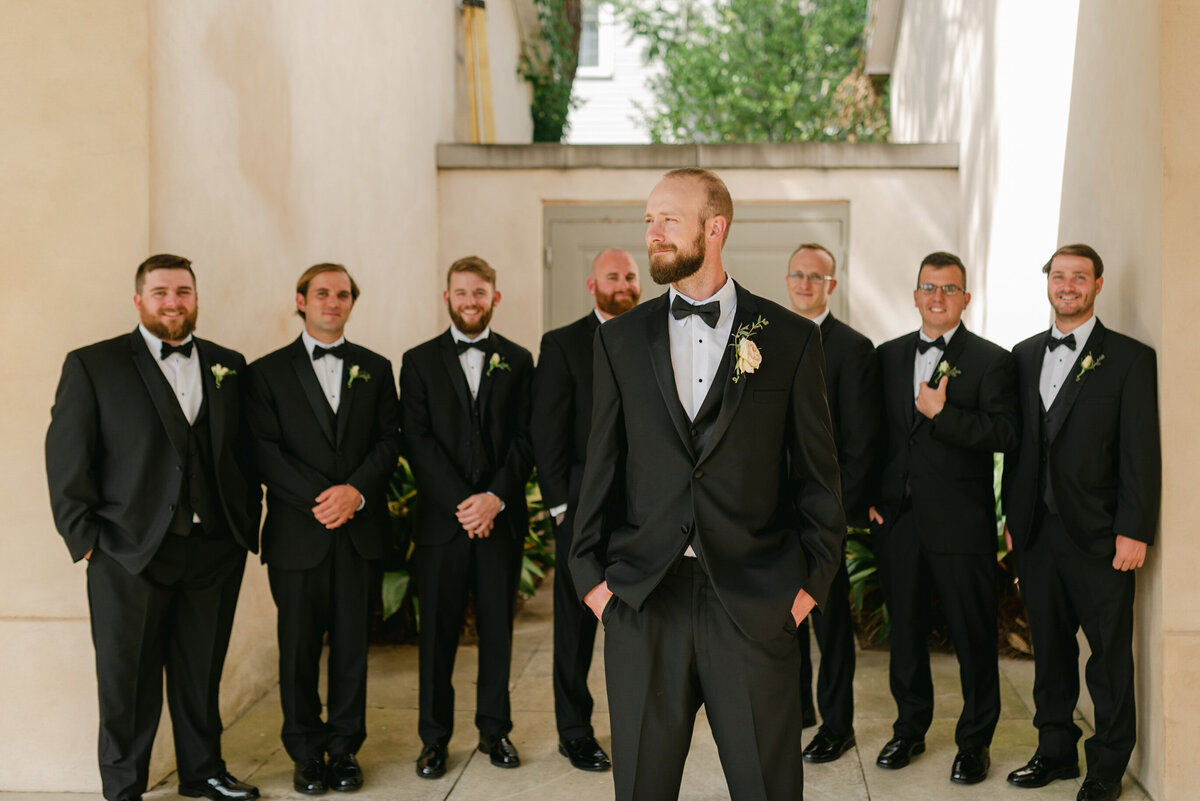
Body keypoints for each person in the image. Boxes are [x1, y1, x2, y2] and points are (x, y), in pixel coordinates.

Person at [570, 168, 845, 801]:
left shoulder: (790, 339)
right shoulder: (619, 340)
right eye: (648, 220)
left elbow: (818, 477)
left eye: (668, 219)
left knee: (767, 789)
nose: (653, 233)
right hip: (644, 601)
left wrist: (806, 590)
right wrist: (593, 584)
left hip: (754, 603)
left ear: (713, 227)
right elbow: (602, 466)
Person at [45, 254, 261, 801]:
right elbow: (68, 460)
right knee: (126, 682)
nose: (173, 302)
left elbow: (244, 451)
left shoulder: (228, 364)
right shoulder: (93, 364)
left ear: (195, 298)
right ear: (138, 299)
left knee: (200, 672)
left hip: (213, 548)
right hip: (126, 551)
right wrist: (88, 542)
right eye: (161, 292)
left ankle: (202, 771)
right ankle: (124, 787)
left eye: (183, 291)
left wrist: (241, 528)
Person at [1002, 244, 1159, 801]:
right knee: (1050, 651)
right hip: (1036, 533)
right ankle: (1055, 751)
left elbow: (1141, 451)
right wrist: (1012, 517)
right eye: (1060, 276)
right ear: (1048, 282)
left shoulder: (1130, 359)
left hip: (1101, 536)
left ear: (1097, 285)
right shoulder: (1021, 355)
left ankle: (1107, 769)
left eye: (1080, 277)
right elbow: (1021, 446)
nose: (1068, 285)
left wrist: (1135, 527)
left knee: (1110, 659)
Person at [245, 263, 401, 795]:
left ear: (351, 303)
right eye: (322, 293)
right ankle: (306, 752)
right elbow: (263, 450)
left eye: (342, 294)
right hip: (297, 535)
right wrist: (323, 498)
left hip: (358, 533)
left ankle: (344, 750)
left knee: (354, 649)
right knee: (298, 649)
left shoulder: (376, 369)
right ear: (301, 300)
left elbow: (389, 442)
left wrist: (355, 492)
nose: (332, 301)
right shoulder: (265, 373)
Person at [869, 251, 1018, 784]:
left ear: (965, 299)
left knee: (973, 636)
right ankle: (909, 729)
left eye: (949, 289)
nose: (938, 298)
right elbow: (874, 435)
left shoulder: (991, 360)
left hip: (961, 522)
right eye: (929, 288)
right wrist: (871, 497)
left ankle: (974, 743)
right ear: (914, 296)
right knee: (904, 634)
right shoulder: (886, 356)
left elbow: (1004, 434)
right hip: (898, 521)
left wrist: (944, 414)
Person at [399, 256, 534, 779]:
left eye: (480, 293)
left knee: (498, 632)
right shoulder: (418, 361)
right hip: (442, 525)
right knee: (437, 636)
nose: (471, 301)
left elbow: (527, 438)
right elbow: (418, 439)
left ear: (494, 297)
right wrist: (465, 503)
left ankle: (495, 731)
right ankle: (434, 739)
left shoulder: (520, 360)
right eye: (461, 293)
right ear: (447, 297)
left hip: (500, 521)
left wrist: (495, 498)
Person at [532, 247, 641, 772]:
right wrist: (560, 510)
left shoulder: (652, 333)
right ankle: (574, 733)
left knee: (639, 626)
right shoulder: (562, 345)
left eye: (630, 275)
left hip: (642, 514)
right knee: (574, 632)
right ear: (590, 284)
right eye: (612, 276)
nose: (623, 283)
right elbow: (547, 433)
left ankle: (641, 724)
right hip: (579, 514)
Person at [784, 243, 880, 763]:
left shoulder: (852, 348)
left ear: (831, 286)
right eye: (797, 275)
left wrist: (838, 515)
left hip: (827, 514)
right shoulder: (765, 338)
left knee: (829, 623)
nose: (804, 284)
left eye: (814, 277)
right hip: (776, 512)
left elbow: (861, 441)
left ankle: (837, 724)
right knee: (784, 614)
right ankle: (797, 708)